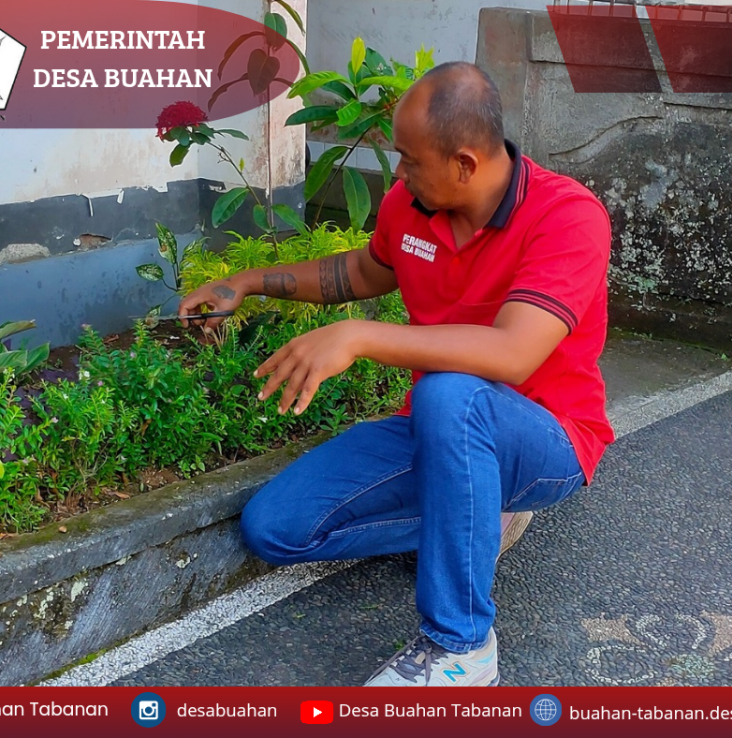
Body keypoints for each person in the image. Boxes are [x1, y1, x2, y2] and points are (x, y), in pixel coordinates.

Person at [178, 61, 615, 687]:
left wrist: (359, 336)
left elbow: (514, 352)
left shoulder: (566, 217)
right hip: (439, 427)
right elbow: (356, 274)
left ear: (464, 163)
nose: (400, 171)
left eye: (409, 159)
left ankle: (462, 647)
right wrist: (243, 282)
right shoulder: (411, 206)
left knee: (450, 392)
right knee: (275, 527)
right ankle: (475, 512)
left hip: (549, 435)